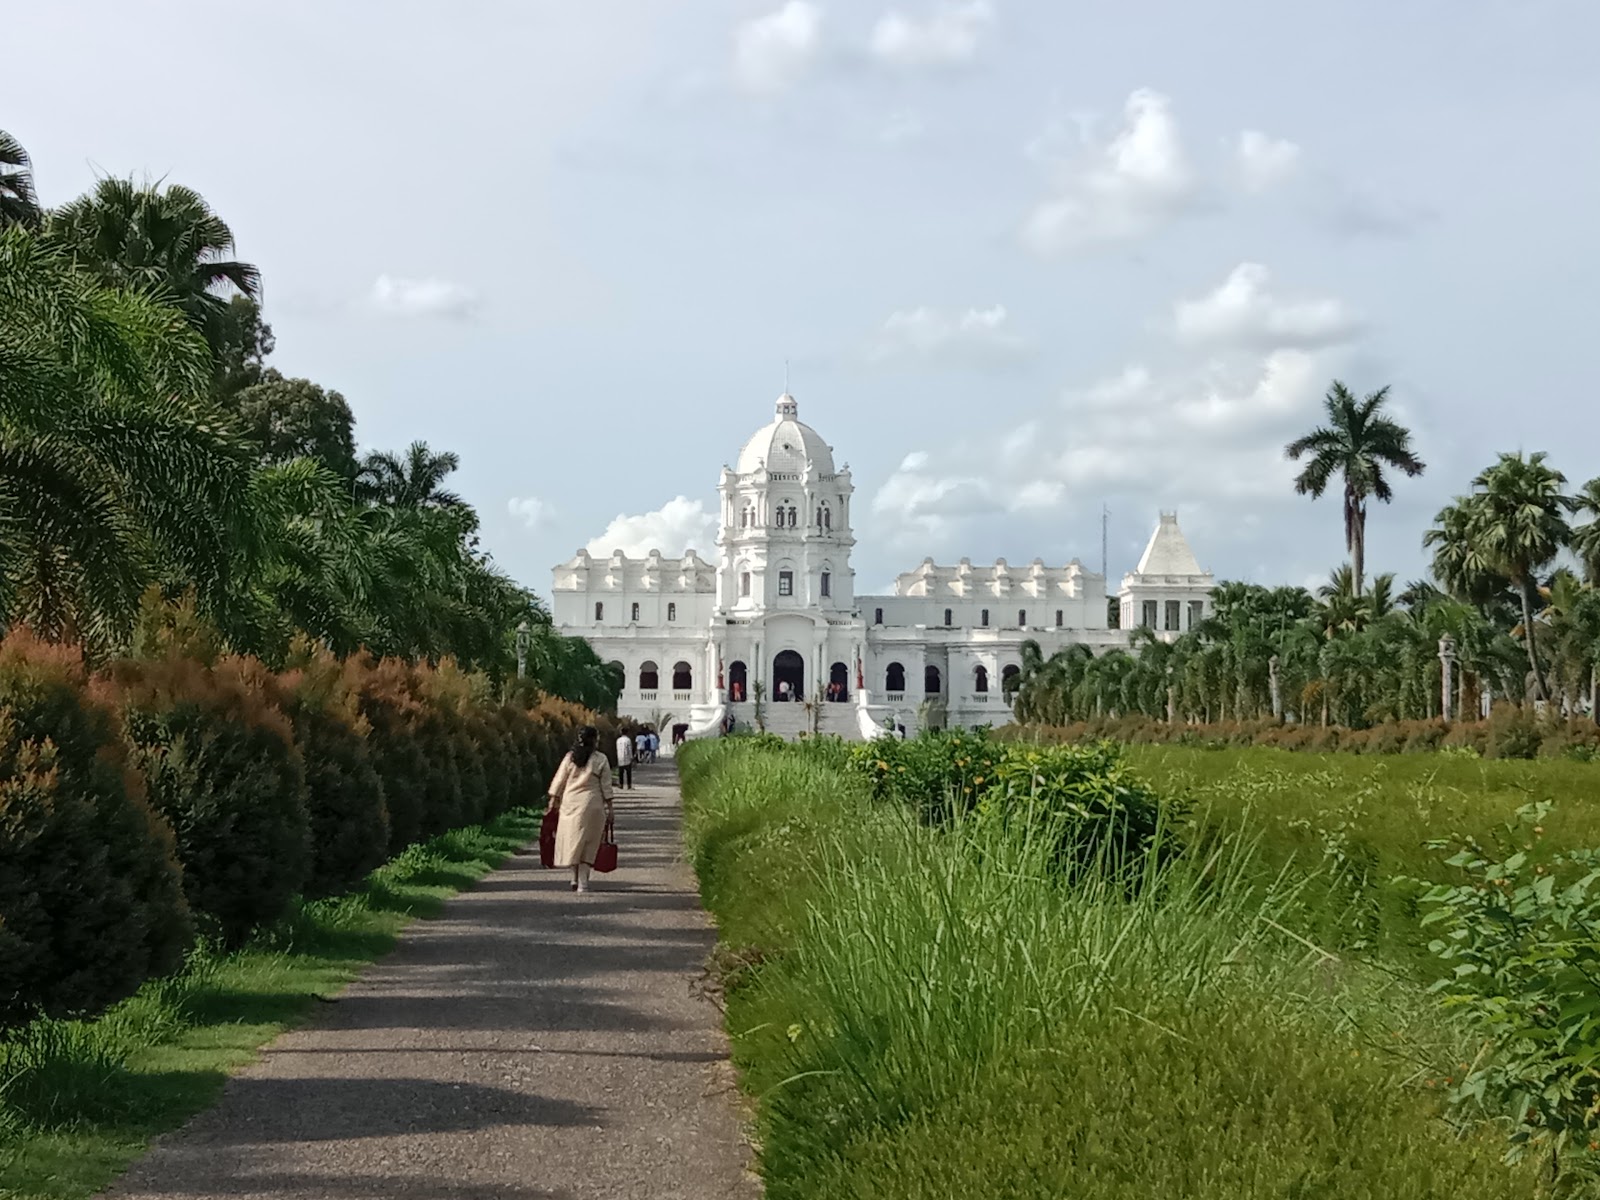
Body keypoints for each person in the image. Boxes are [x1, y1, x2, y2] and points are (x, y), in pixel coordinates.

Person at [546, 726, 615, 893]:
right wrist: (610, 807)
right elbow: (606, 785)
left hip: (570, 804)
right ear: (594, 740)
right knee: (588, 843)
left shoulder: (570, 757)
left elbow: (559, 779)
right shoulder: (600, 759)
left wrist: (553, 799)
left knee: (573, 841)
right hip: (592, 804)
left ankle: (573, 878)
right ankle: (583, 882)